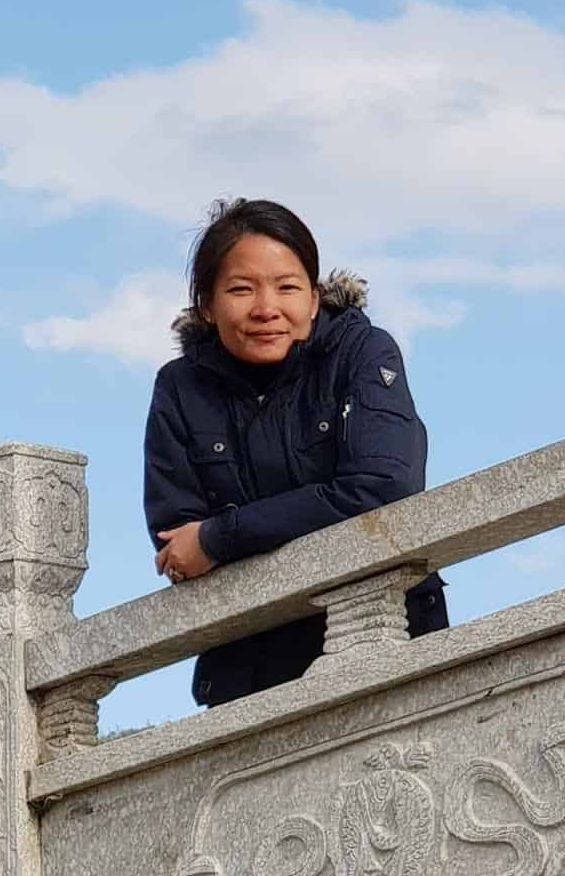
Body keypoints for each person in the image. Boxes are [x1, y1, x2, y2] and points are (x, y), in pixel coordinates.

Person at [143, 198, 448, 708]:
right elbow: (178, 542)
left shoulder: (361, 352)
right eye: (241, 289)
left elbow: (384, 486)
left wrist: (223, 534)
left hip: (389, 639)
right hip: (251, 672)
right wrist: (319, 507)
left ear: (314, 296)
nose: (267, 309)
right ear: (207, 304)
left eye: (287, 287)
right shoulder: (180, 388)